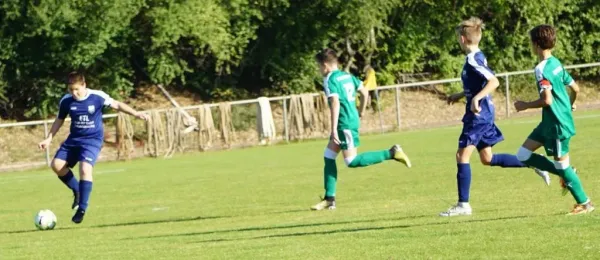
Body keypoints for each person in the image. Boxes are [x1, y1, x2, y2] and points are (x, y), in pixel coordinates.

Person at [440, 17, 550, 217]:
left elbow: (493, 81)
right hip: (484, 114)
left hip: (478, 116)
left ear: (463, 39)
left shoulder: (473, 59)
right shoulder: (477, 56)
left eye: (458, 37)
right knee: (487, 158)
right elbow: (479, 84)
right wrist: (460, 95)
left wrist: (476, 99)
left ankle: (463, 205)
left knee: (462, 156)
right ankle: (534, 162)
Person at [38, 72, 149, 223]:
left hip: (92, 140)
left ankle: (82, 208)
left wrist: (136, 113)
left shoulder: (97, 96)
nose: (74, 93)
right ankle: (77, 190)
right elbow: (60, 119)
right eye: (70, 90)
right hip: (74, 139)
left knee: (85, 169)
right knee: (56, 165)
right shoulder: (66, 100)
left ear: (84, 85)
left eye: (76, 89)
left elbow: (117, 104)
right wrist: (49, 138)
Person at [310, 48, 411, 211]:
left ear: (325, 65)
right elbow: (364, 92)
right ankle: (329, 198)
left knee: (351, 161)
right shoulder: (347, 76)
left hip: (344, 124)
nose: (319, 70)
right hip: (351, 120)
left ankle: (391, 152)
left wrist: (334, 129)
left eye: (318, 66)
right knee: (329, 156)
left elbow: (335, 103)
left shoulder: (330, 79)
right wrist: (361, 111)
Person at [513, 24, 594, 215]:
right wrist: (571, 104)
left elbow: (547, 100)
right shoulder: (556, 63)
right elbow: (575, 88)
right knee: (522, 155)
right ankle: (568, 173)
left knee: (561, 165)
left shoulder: (541, 69)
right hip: (548, 123)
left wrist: (525, 105)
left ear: (535, 44)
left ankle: (585, 203)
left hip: (557, 124)